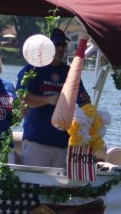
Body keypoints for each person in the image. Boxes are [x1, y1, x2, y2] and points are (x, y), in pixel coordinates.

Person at [16, 29, 90, 167]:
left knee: (57, 182)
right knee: (35, 180)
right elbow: (23, 97)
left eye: (63, 45)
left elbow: (82, 102)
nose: (61, 48)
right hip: (37, 141)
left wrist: (85, 100)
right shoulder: (33, 69)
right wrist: (47, 99)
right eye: (57, 44)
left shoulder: (70, 72)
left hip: (62, 143)